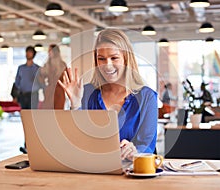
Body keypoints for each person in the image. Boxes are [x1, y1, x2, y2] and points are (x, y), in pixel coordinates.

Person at [58, 28, 158, 161]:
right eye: (102, 59)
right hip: (92, 170)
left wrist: (135, 151)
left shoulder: (147, 97)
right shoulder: (86, 92)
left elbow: (147, 146)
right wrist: (75, 104)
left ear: (126, 59)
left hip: (130, 172)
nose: (107, 65)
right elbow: (77, 142)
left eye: (114, 58)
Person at [14, 46, 42, 154]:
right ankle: (26, 143)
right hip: (23, 96)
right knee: (25, 121)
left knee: (32, 121)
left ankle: (33, 143)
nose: (28, 54)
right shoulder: (21, 68)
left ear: (33, 54)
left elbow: (41, 83)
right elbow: (17, 82)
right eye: (27, 52)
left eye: (30, 52)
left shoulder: (37, 68)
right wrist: (15, 96)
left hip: (33, 96)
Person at [39, 44, 68, 109]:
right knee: (49, 114)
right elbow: (41, 78)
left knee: (58, 114)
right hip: (49, 92)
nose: (48, 52)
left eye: (50, 50)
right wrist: (44, 87)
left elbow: (67, 79)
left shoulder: (62, 65)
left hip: (59, 92)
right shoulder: (47, 65)